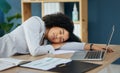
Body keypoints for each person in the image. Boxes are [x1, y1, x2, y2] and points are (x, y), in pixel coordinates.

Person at [0, 13, 113, 58]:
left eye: (61, 39)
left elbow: (67, 45)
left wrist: (92, 46)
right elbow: (34, 51)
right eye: (60, 32)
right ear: (57, 24)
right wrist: (54, 46)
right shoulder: (35, 22)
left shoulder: (43, 41)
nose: (58, 37)